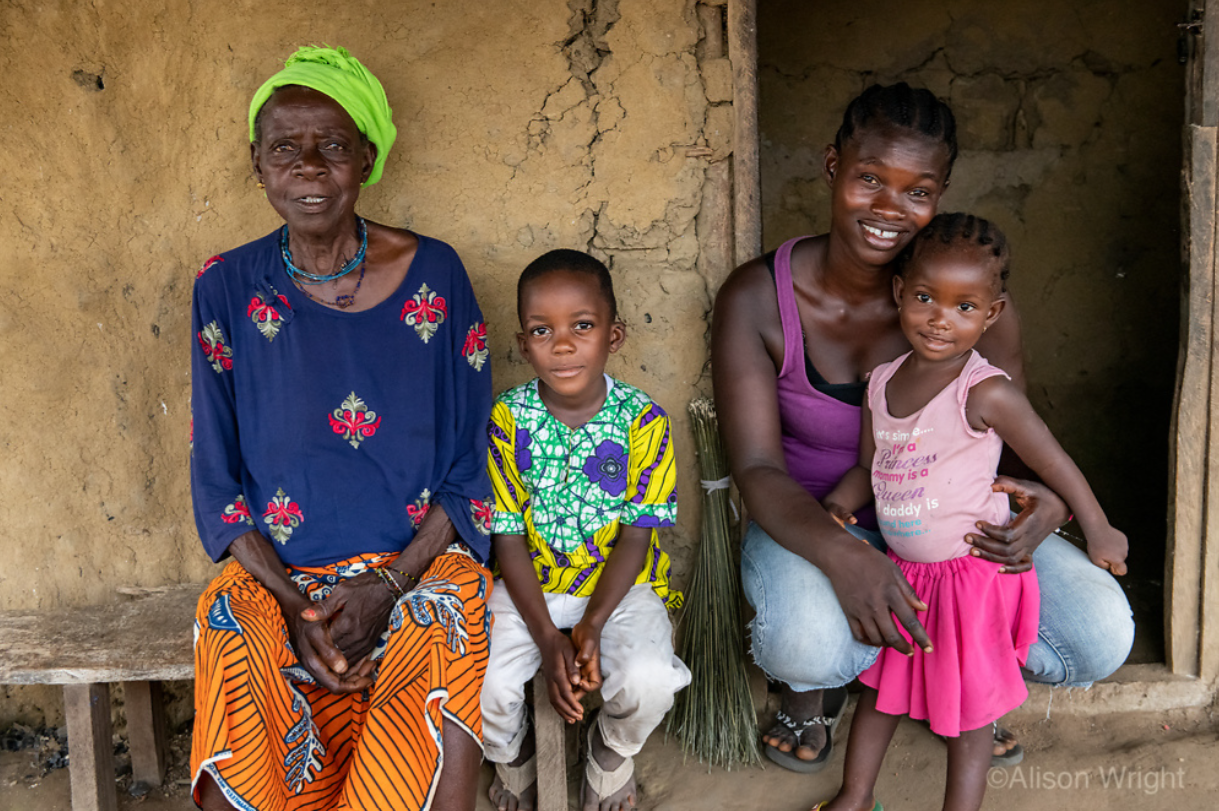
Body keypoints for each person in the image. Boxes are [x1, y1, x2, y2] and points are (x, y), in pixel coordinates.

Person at [710, 83, 1134, 774]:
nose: (887, 209)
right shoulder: (756, 297)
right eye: (869, 179)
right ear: (830, 166)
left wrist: (1048, 505)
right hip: (821, 518)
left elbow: (1013, 438)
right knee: (806, 643)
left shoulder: (968, 303)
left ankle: (959, 686)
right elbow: (756, 467)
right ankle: (814, 692)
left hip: (955, 532)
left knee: (1097, 637)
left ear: (939, 194)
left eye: (916, 191)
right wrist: (845, 556)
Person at [189, 46, 494, 811]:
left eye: (332, 145)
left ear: (367, 157)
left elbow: (468, 470)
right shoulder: (224, 286)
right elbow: (219, 485)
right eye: (284, 148)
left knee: (446, 615)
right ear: (256, 164)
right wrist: (299, 609)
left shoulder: (438, 274)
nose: (310, 166)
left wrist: (390, 584)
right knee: (227, 618)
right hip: (281, 575)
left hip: (416, 564)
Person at [813, 213, 1128, 811]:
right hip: (907, 573)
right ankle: (856, 797)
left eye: (964, 307)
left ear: (992, 313)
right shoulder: (880, 383)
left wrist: (1097, 527)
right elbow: (867, 467)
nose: (940, 319)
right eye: (927, 298)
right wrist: (836, 506)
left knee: (974, 708)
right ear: (901, 293)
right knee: (885, 686)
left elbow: (1054, 463)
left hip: (973, 572)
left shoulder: (986, 392)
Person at [482, 249, 690, 811]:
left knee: (650, 681)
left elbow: (636, 536)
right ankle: (511, 755)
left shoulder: (643, 420)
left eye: (582, 326)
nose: (564, 344)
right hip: (530, 584)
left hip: (620, 588)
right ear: (524, 345)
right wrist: (549, 636)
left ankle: (611, 751)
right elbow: (506, 539)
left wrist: (593, 622)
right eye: (541, 331)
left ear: (614, 336)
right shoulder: (507, 419)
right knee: (483, 686)